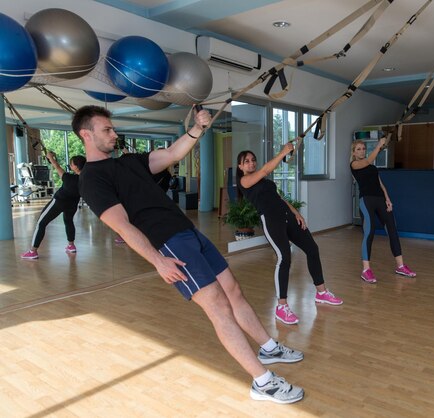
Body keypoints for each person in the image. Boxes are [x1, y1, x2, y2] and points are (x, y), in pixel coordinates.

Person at [73, 105, 304, 404]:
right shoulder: (91, 179)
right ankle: (262, 381)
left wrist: (197, 128)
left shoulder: (128, 162)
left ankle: (269, 347)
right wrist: (157, 260)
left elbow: (171, 155)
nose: (114, 133)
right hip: (168, 243)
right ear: (86, 134)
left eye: (113, 128)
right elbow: (122, 225)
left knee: (232, 289)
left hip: (188, 231)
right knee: (218, 306)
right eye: (107, 130)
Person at [236, 146, 343, 325]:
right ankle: (281, 306)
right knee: (284, 258)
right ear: (240, 167)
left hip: (287, 216)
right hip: (272, 221)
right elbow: (265, 169)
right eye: (246, 161)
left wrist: (296, 214)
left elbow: (280, 199)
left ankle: (322, 293)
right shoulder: (245, 182)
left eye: (253, 160)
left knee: (312, 249)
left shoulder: (264, 181)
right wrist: (283, 152)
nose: (251, 163)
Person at [350, 138, 416, 283]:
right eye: (358, 149)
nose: (362, 151)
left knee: (392, 230)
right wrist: (379, 146)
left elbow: (380, 184)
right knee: (369, 232)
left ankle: (400, 266)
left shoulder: (372, 167)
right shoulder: (354, 165)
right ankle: (366, 270)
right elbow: (367, 161)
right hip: (366, 201)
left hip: (380, 200)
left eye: (363, 148)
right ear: (354, 153)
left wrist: (387, 198)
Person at [20, 152, 86, 259]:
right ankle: (71, 245)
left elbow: (57, 167)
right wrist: (53, 159)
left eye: (72, 164)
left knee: (41, 223)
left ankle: (33, 251)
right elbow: (58, 166)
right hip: (72, 204)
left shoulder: (68, 178)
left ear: (77, 167)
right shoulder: (85, 179)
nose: (70, 165)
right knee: (68, 221)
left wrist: (50, 157)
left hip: (58, 202)